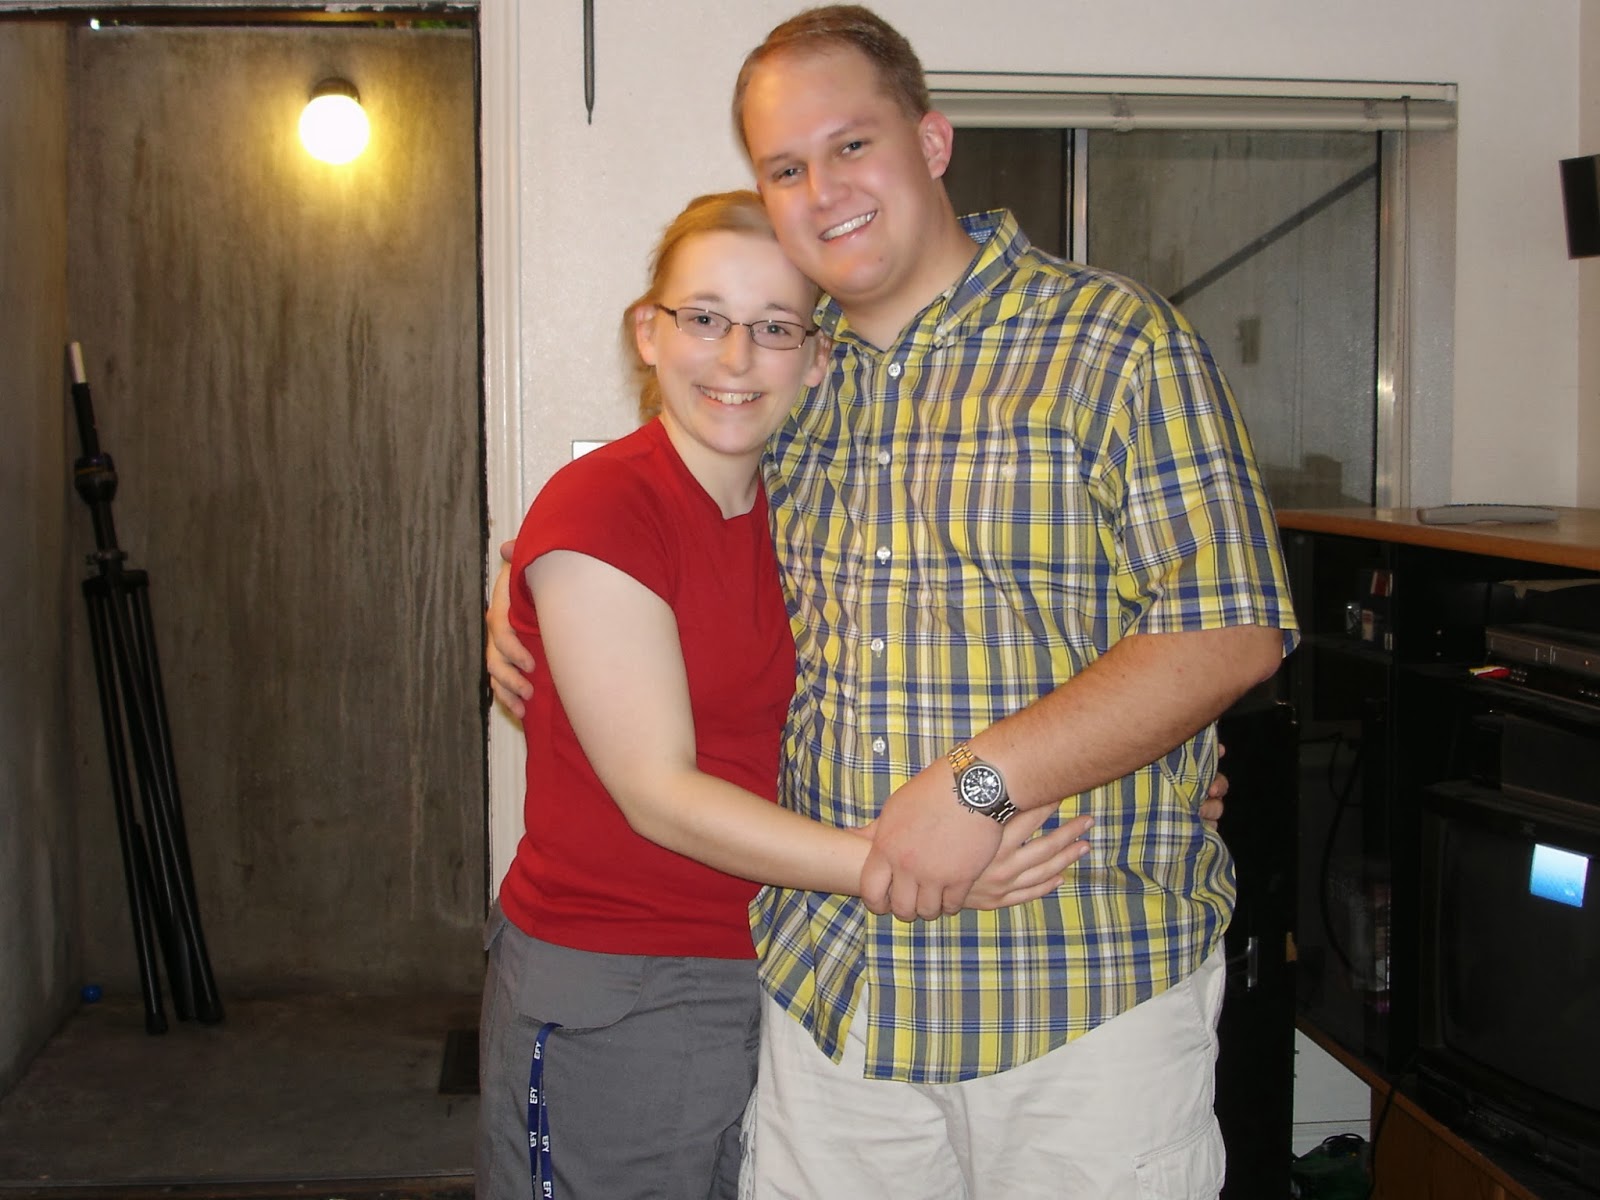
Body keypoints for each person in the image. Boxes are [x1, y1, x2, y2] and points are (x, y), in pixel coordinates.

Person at [491, 7, 1296, 1195]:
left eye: (851, 145)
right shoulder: (795, 379)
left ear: (929, 140)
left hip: (1075, 991)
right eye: (783, 167)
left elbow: (1230, 628)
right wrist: (519, 582)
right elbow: (641, 505)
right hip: (836, 1002)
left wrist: (981, 783)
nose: (822, 191)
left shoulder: (1113, 345)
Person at [476, 189, 1094, 1200]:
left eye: (772, 328)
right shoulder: (606, 505)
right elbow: (657, 793)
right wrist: (902, 867)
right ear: (648, 332)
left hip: (773, 969)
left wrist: (1163, 762)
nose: (734, 358)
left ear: (815, 358)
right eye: (704, 318)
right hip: (616, 982)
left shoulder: (802, 511)